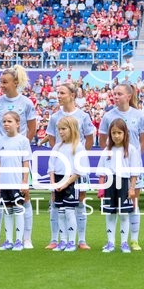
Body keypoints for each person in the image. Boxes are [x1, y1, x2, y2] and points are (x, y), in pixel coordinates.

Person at [0, 66, 37, 249]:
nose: (2, 85)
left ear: (15, 82)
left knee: (25, 195)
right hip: (1, 154)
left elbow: (32, 129)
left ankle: (26, 238)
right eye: (1, 82)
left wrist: (20, 146)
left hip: (19, 159)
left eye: (5, 82)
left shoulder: (27, 103)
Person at [45, 82, 95, 249]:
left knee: (79, 201)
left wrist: (76, 158)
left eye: (62, 93)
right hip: (60, 169)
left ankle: (81, 240)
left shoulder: (83, 116)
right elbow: (52, 140)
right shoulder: (54, 117)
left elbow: (89, 139)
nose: (58, 96)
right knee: (56, 203)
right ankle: (55, 239)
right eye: (57, 93)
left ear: (72, 95)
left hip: (75, 170)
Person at [98, 83, 144, 250]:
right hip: (113, 170)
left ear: (128, 96)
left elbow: (143, 139)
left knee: (132, 204)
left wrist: (131, 158)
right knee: (112, 209)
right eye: (114, 94)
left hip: (130, 170)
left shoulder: (139, 115)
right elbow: (102, 139)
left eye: (119, 93)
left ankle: (133, 240)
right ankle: (112, 241)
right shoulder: (107, 116)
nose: (116, 96)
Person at [97, 118, 141, 253]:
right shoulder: (107, 150)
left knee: (124, 214)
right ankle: (110, 242)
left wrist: (132, 188)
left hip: (124, 183)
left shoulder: (131, 149)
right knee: (110, 214)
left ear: (125, 133)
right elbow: (101, 171)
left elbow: (134, 172)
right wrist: (101, 189)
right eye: (113, 133)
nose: (116, 136)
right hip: (110, 183)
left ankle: (124, 243)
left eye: (119, 133)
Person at [0, 111, 31, 251]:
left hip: (17, 182)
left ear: (18, 123)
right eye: (4, 121)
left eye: (9, 121)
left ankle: (19, 241)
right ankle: (8, 241)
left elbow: (26, 163)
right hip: (4, 183)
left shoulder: (23, 141)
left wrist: (24, 182)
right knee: (7, 211)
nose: (6, 124)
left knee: (18, 210)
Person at [49, 116, 85, 252]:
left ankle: (71, 241)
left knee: (70, 212)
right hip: (58, 182)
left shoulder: (78, 147)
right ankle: (62, 240)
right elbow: (51, 167)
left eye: (64, 129)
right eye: (59, 129)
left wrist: (65, 183)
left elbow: (79, 170)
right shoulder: (57, 147)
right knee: (60, 212)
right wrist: (53, 184)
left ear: (72, 129)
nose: (61, 132)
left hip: (71, 182)